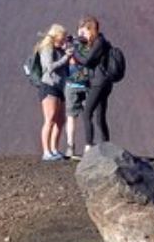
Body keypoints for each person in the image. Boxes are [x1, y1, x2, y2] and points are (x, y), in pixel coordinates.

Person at [70, 16, 113, 152]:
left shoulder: (99, 43)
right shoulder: (101, 42)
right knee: (100, 116)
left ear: (90, 30)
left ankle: (89, 145)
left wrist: (74, 51)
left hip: (98, 83)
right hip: (104, 82)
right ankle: (106, 145)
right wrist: (80, 42)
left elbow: (87, 61)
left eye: (84, 32)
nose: (82, 35)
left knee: (87, 112)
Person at [34, 24, 72, 161]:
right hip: (49, 86)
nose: (63, 40)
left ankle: (54, 149)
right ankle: (46, 151)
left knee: (60, 120)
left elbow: (65, 67)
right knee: (49, 120)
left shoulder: (60, 49)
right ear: (56, 35)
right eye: (62, 37)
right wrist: (64, 58)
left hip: (59, 87)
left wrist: (66, 53)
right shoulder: (47, 48)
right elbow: (49, 67)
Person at [63, 36, 90, 159]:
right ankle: (88, 147)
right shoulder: (88, 49)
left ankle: (70, 147)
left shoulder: (70, 48)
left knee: (71, 117)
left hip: (71, 85)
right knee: (87, 116)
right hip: (86, 85)